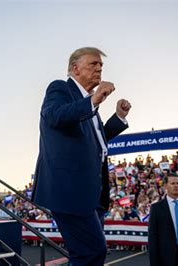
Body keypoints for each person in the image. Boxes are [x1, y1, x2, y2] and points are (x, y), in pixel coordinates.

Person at [32, 47, 131, 265]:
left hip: (91, 192)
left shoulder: (86, 101)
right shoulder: (60, 89)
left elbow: (96, 138)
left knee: (87, 253)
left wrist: (119, 118)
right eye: (93, 64)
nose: (99, 68)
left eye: (101, 65)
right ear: (75, 68)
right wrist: (93, 101)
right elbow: (54, 116)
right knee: (91, 252)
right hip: (69, 189)